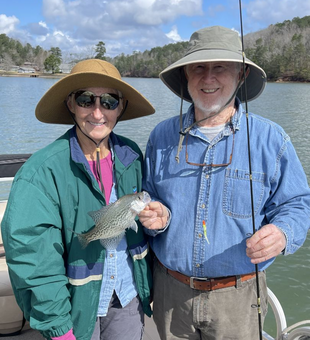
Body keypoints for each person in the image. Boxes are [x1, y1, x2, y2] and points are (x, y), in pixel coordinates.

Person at [138, 26, 310, 340]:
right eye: (198, 68)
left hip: (239, 299)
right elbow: (148, 199)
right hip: (170, 294)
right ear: (185, 75)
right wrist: (155, 217)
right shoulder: (160, 137)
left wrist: (283, 233)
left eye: (220, 67)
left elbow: (297, 204)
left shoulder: (271, 139)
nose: (208, 78)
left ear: (241, 74)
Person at [1, 59, 155, 340]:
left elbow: (143, 226)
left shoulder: (132, 156)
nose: (97, 112)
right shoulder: (41, 171)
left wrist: (158, 219)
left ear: (121, 108)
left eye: (109, 101)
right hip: (77, 305)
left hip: (127, 295)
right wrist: (58, 328)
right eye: (86, 100)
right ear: (70, 104)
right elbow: (34, 258)